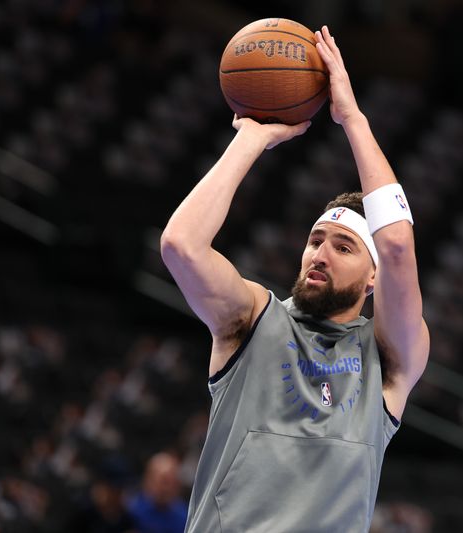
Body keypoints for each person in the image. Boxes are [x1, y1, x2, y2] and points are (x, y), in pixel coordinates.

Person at [160, 26, 429, 532]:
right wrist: (253, 137)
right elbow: (181, 246)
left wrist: (351, 118)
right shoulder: (251, 320)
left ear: (373, 279)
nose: (320, 254)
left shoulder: (389, 359)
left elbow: (395, 244)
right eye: (315, 241)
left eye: (343, 246)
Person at [127, 452, 188, 533]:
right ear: (149, 480)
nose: (169, 488)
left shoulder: (185, 516)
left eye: (173, 481)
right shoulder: (131, 510)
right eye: (164, 481)